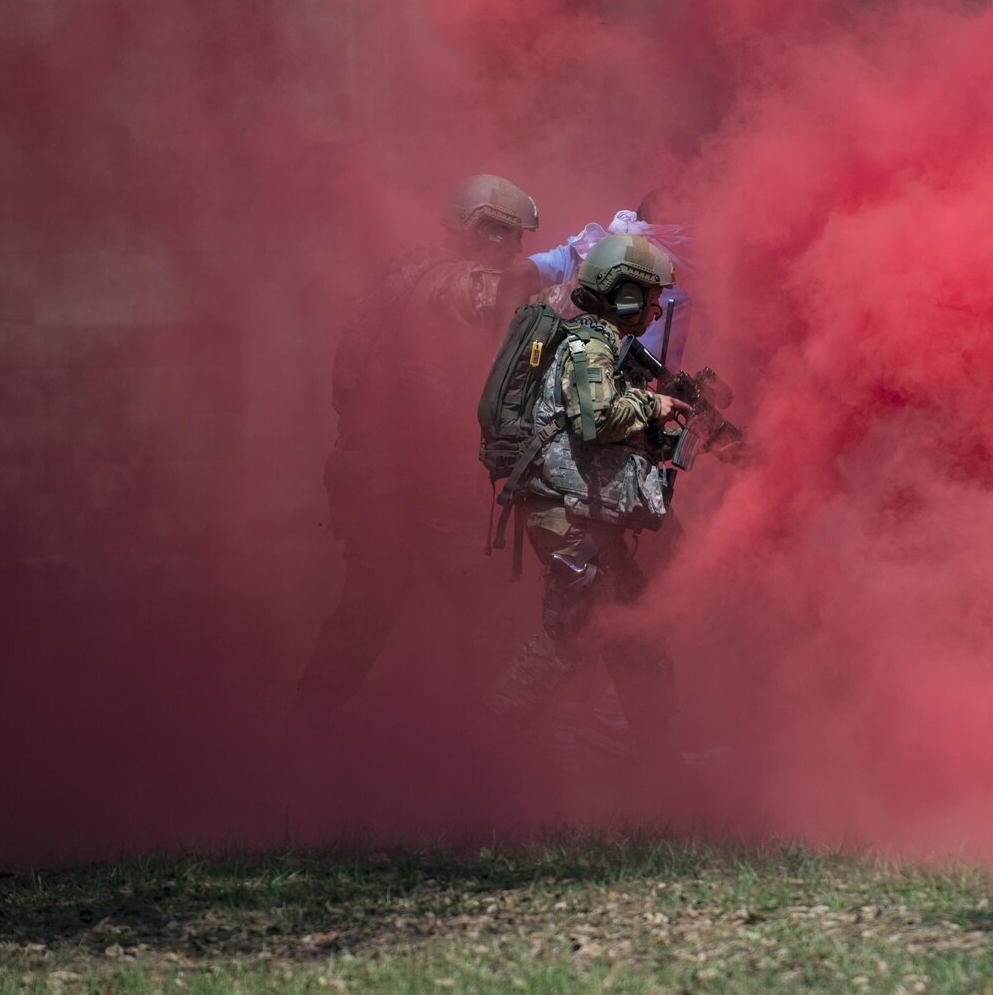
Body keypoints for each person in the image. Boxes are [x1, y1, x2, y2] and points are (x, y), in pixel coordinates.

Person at [290, 174, 541, 728]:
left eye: (516, 237)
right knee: (486, 611)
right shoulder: (442, 281)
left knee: (368, 615)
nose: (513, 247)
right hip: (410, 482)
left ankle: (301, 733)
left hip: (387, 476)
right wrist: (578, 281)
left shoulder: (403, 275)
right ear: (468, 229)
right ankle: (509, 761)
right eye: (500, 232)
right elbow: (487, 292)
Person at [488, 232, 691, 764]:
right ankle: (482, 748)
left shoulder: (601, 345)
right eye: (646, 298)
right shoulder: (588, 345)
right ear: (619, 292)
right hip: (567, 515)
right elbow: (595, 418)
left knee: (635, 630)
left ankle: (663, 758)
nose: (652, 310)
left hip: (582, 514)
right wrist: (655, 407)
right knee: (567, 640)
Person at [523, 188, 696, 365]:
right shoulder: (674, 298)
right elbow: (639, 374)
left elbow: (519, 275)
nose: (656, 309)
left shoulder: (590, 249)